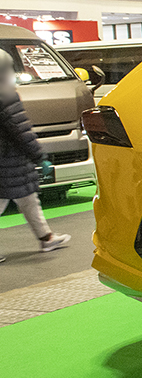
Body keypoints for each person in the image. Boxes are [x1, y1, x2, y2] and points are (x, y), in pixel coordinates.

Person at [0, 49, 71, 263]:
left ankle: (46, 237)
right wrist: (40, 157)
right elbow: (21, 132)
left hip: (10, 161)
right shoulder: (6, 96)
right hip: (9, 161)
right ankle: (46, 238)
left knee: (28, 199)